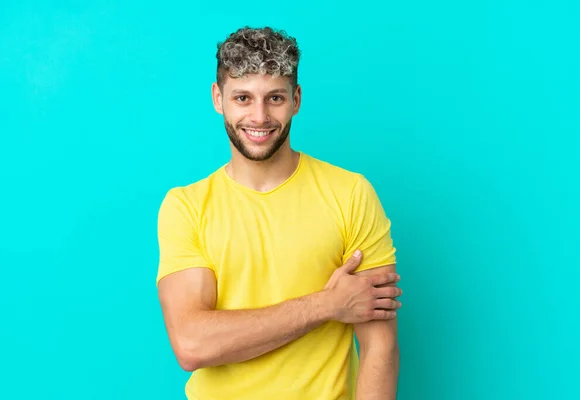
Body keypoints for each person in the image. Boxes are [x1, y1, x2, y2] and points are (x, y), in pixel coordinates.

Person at [156, 26, 403, 400]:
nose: (259, 117)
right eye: (242, 98)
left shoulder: (351, 194)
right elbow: (192, 344)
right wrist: (328, 304)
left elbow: (379, 349)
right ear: (217, 98)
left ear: (296, 99)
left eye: (274, 98)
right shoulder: (186, 207)